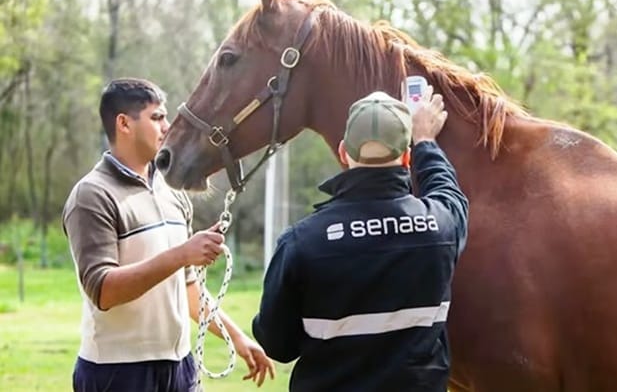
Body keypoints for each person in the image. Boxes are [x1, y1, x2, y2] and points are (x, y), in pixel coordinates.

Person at [62, 77, 275, 392]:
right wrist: (182, 254)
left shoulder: (172, 192)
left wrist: (237, 337)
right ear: (124, 123)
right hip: (117, 374)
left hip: (180, 368)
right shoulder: (92, 195)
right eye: (157, 117)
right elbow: (103, 290)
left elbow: (187, 289)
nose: (167, 127)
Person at [252, 87, 469, 391]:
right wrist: (426, 143)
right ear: (406, 157)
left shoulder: (300, 242)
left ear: (343, 152)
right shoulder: (442, 225)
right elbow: (449, 193)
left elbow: (277, 345)